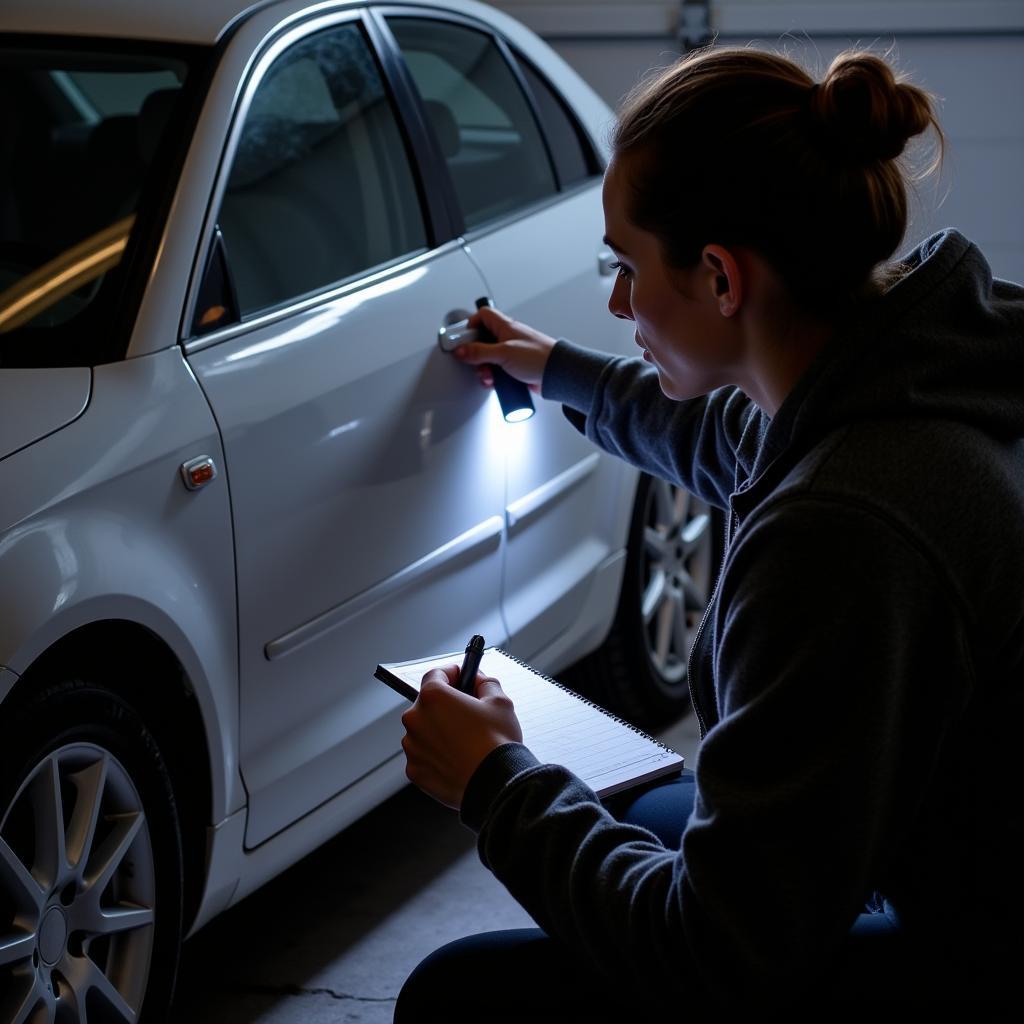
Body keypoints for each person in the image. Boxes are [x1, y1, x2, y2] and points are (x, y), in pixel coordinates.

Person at [395, 44, 1023, 1021]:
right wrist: (557, 369)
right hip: (945, 844)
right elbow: (733, 437)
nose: (616, 302)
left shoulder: (843, 526)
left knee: (457, 994)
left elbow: (714, 955)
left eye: (625, 266)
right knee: (641, 805)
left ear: (722, 278)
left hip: (970, 952)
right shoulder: (920, 362)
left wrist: (493, 783)